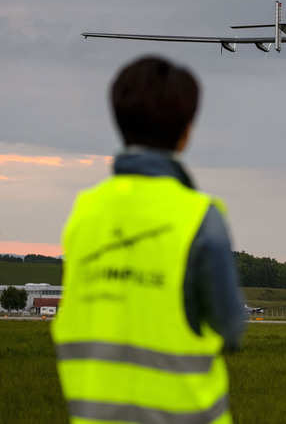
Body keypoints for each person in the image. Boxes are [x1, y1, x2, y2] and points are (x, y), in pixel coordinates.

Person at [52, 56, 247, 424]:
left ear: (119, 123)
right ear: (186, 131)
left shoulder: (85, 212)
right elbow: (232, 326)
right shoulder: (200, 218)